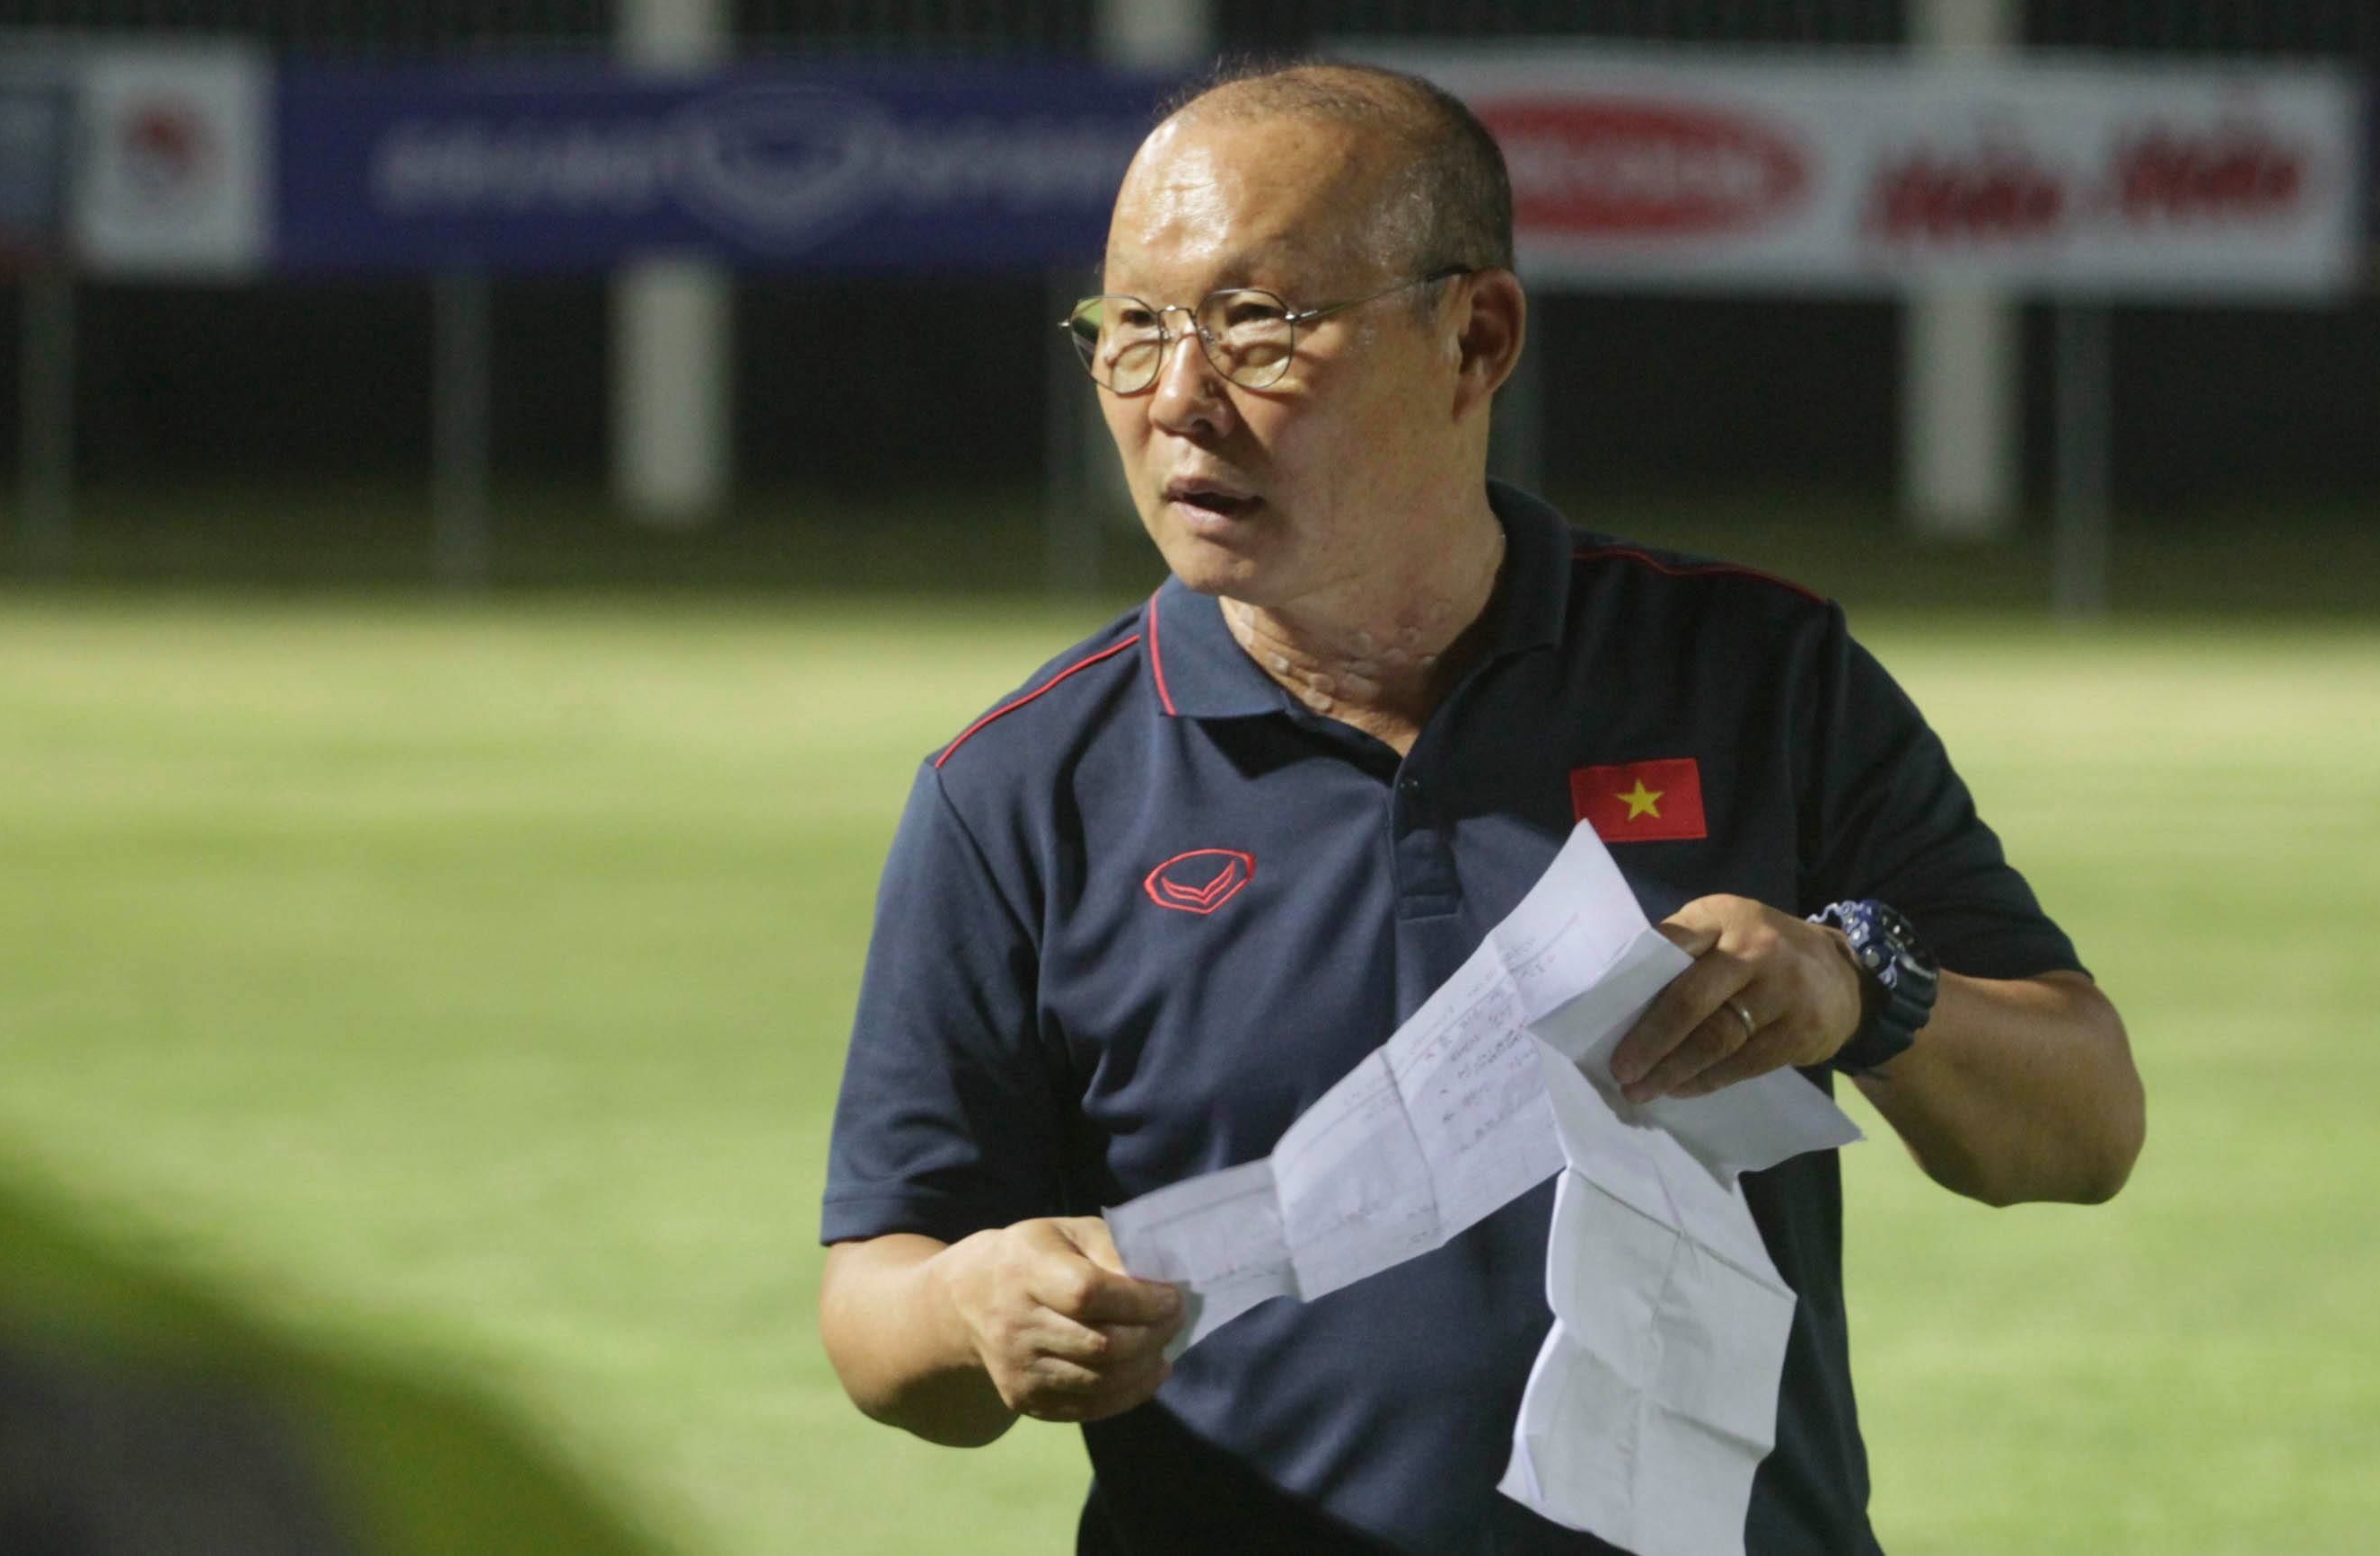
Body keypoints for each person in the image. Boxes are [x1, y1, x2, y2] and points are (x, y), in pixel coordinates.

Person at [818, 60, 2144, 1556]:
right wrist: (971, 1304)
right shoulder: (1020, 788)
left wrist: (1862, 990)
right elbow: (877, 1298)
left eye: (1259, 323)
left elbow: (2085, 1125)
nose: (1179, 395)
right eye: (1130, 328)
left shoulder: (1752, 675)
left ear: (1476, 336)